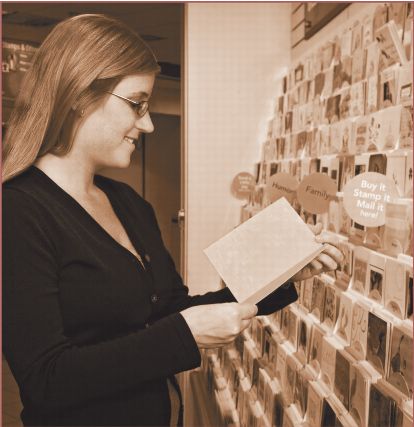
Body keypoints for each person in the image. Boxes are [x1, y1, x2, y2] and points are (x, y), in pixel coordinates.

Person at [2, 14, 343, 427]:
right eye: (137, 103)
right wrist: (183, 335)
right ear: (78, 93)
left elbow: (169, 310)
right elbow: (47, 379)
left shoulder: (128, 202)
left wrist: (282, 273)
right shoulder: (19, 211)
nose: (146, 123)